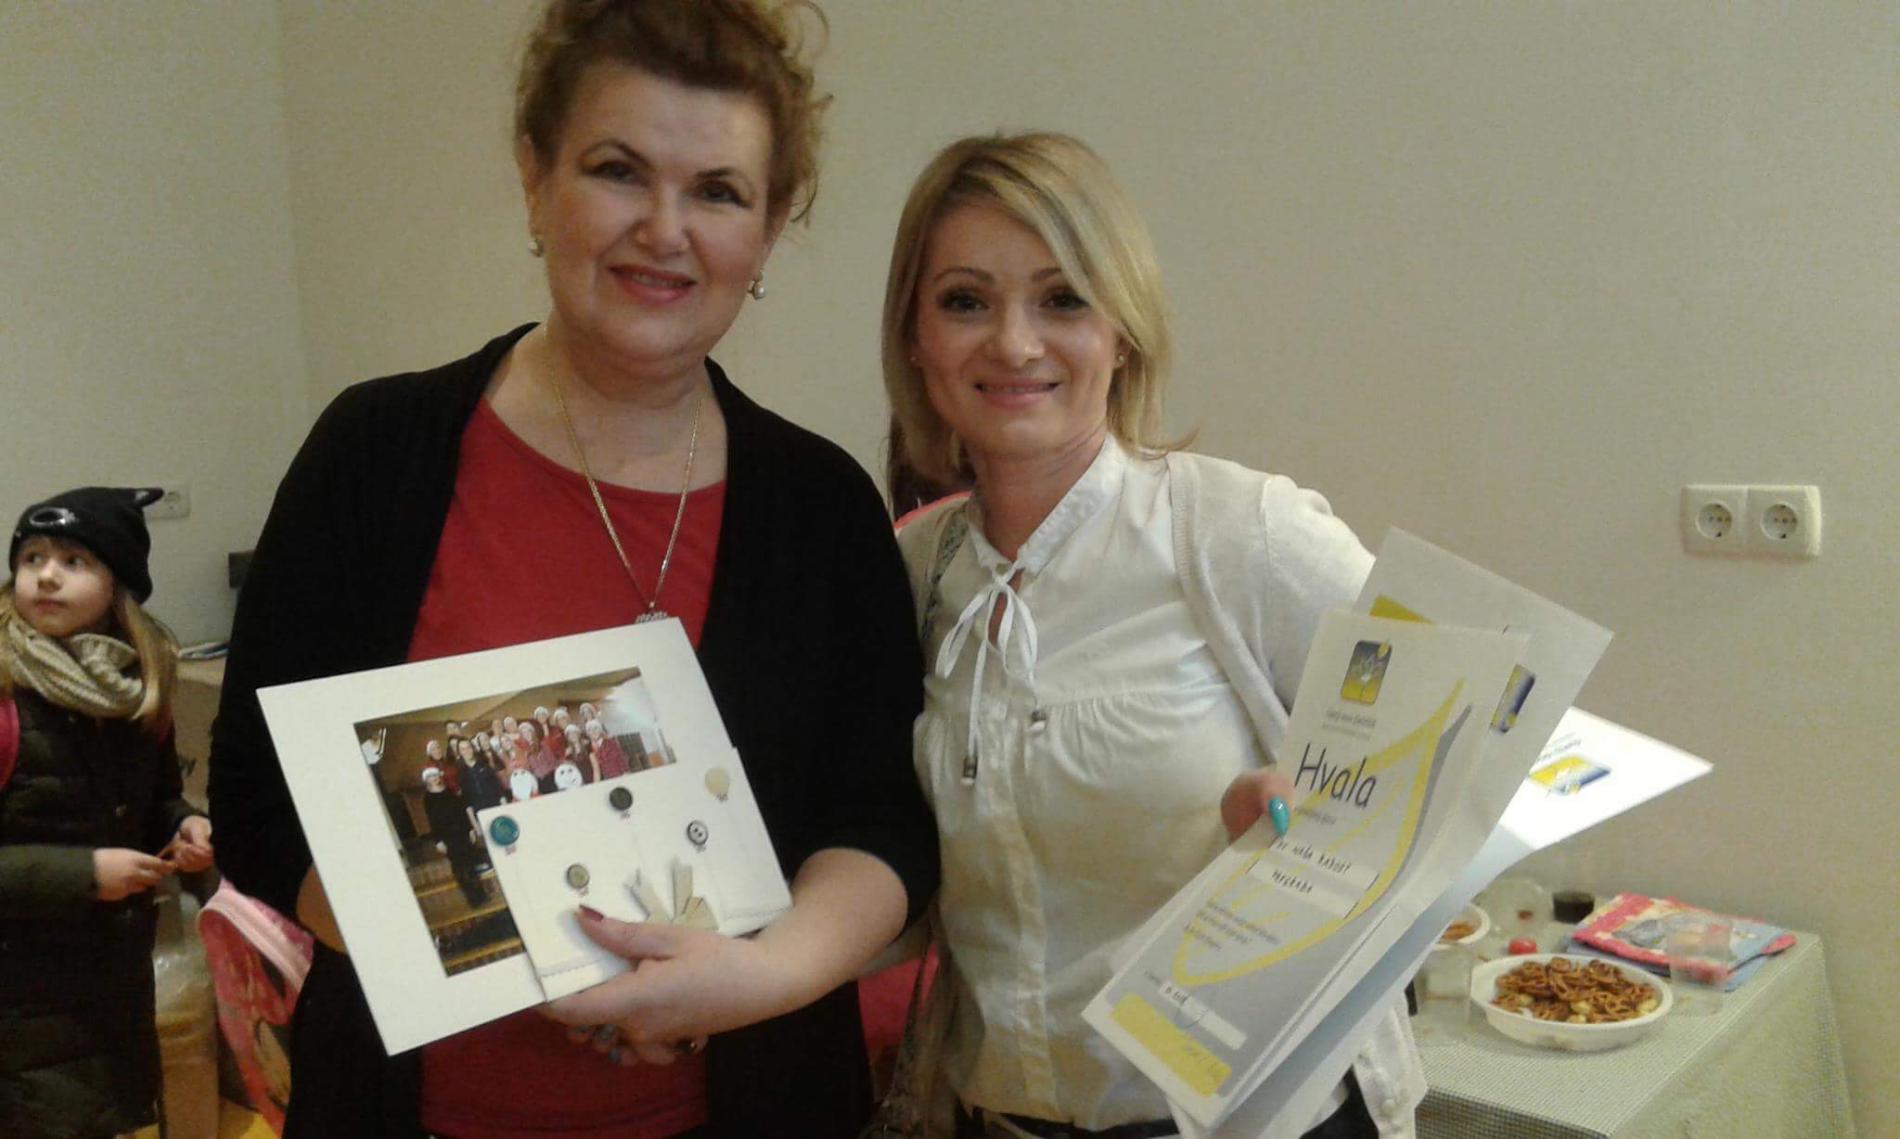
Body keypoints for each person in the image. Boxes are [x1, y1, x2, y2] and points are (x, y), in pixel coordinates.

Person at [206, 3, 936, 1137]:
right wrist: (519, 959)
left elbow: (881, 822)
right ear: (534, 178)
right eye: (616, 170)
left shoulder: (824, 509)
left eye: (718, 192)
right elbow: (260, 803)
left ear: (767, 229)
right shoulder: (375, 455)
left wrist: (758, 975)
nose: (664, 229)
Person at [881, 133, 1424, 1138]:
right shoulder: (911, 573)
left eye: (1062, 299)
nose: (1014, 344)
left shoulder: (1240, 533)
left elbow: (1475, 747)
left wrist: (1327, 828)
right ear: (915, 336)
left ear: (1121, 331)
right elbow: (892, 873)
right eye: (965, 301)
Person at [0, 487, 216, 1139]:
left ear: (118, 583)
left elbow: (153, 799)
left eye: (74, 560)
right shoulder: (7, 696)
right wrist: (85, 874)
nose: (46, 575)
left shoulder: (135, 687)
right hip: (17, 996)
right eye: (32, 557)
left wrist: (182, 826)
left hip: (108, 980)